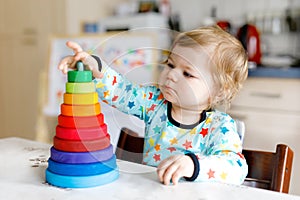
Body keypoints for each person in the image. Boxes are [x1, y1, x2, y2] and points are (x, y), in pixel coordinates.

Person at [58, 25, 248, 186]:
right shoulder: (154, 103)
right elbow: (121, 91)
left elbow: (236, 167)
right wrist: (93, 65)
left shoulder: (220, 126)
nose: (171, 75)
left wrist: (193, 165)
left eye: (187, 74)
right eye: (171, 64)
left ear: (219, 91)